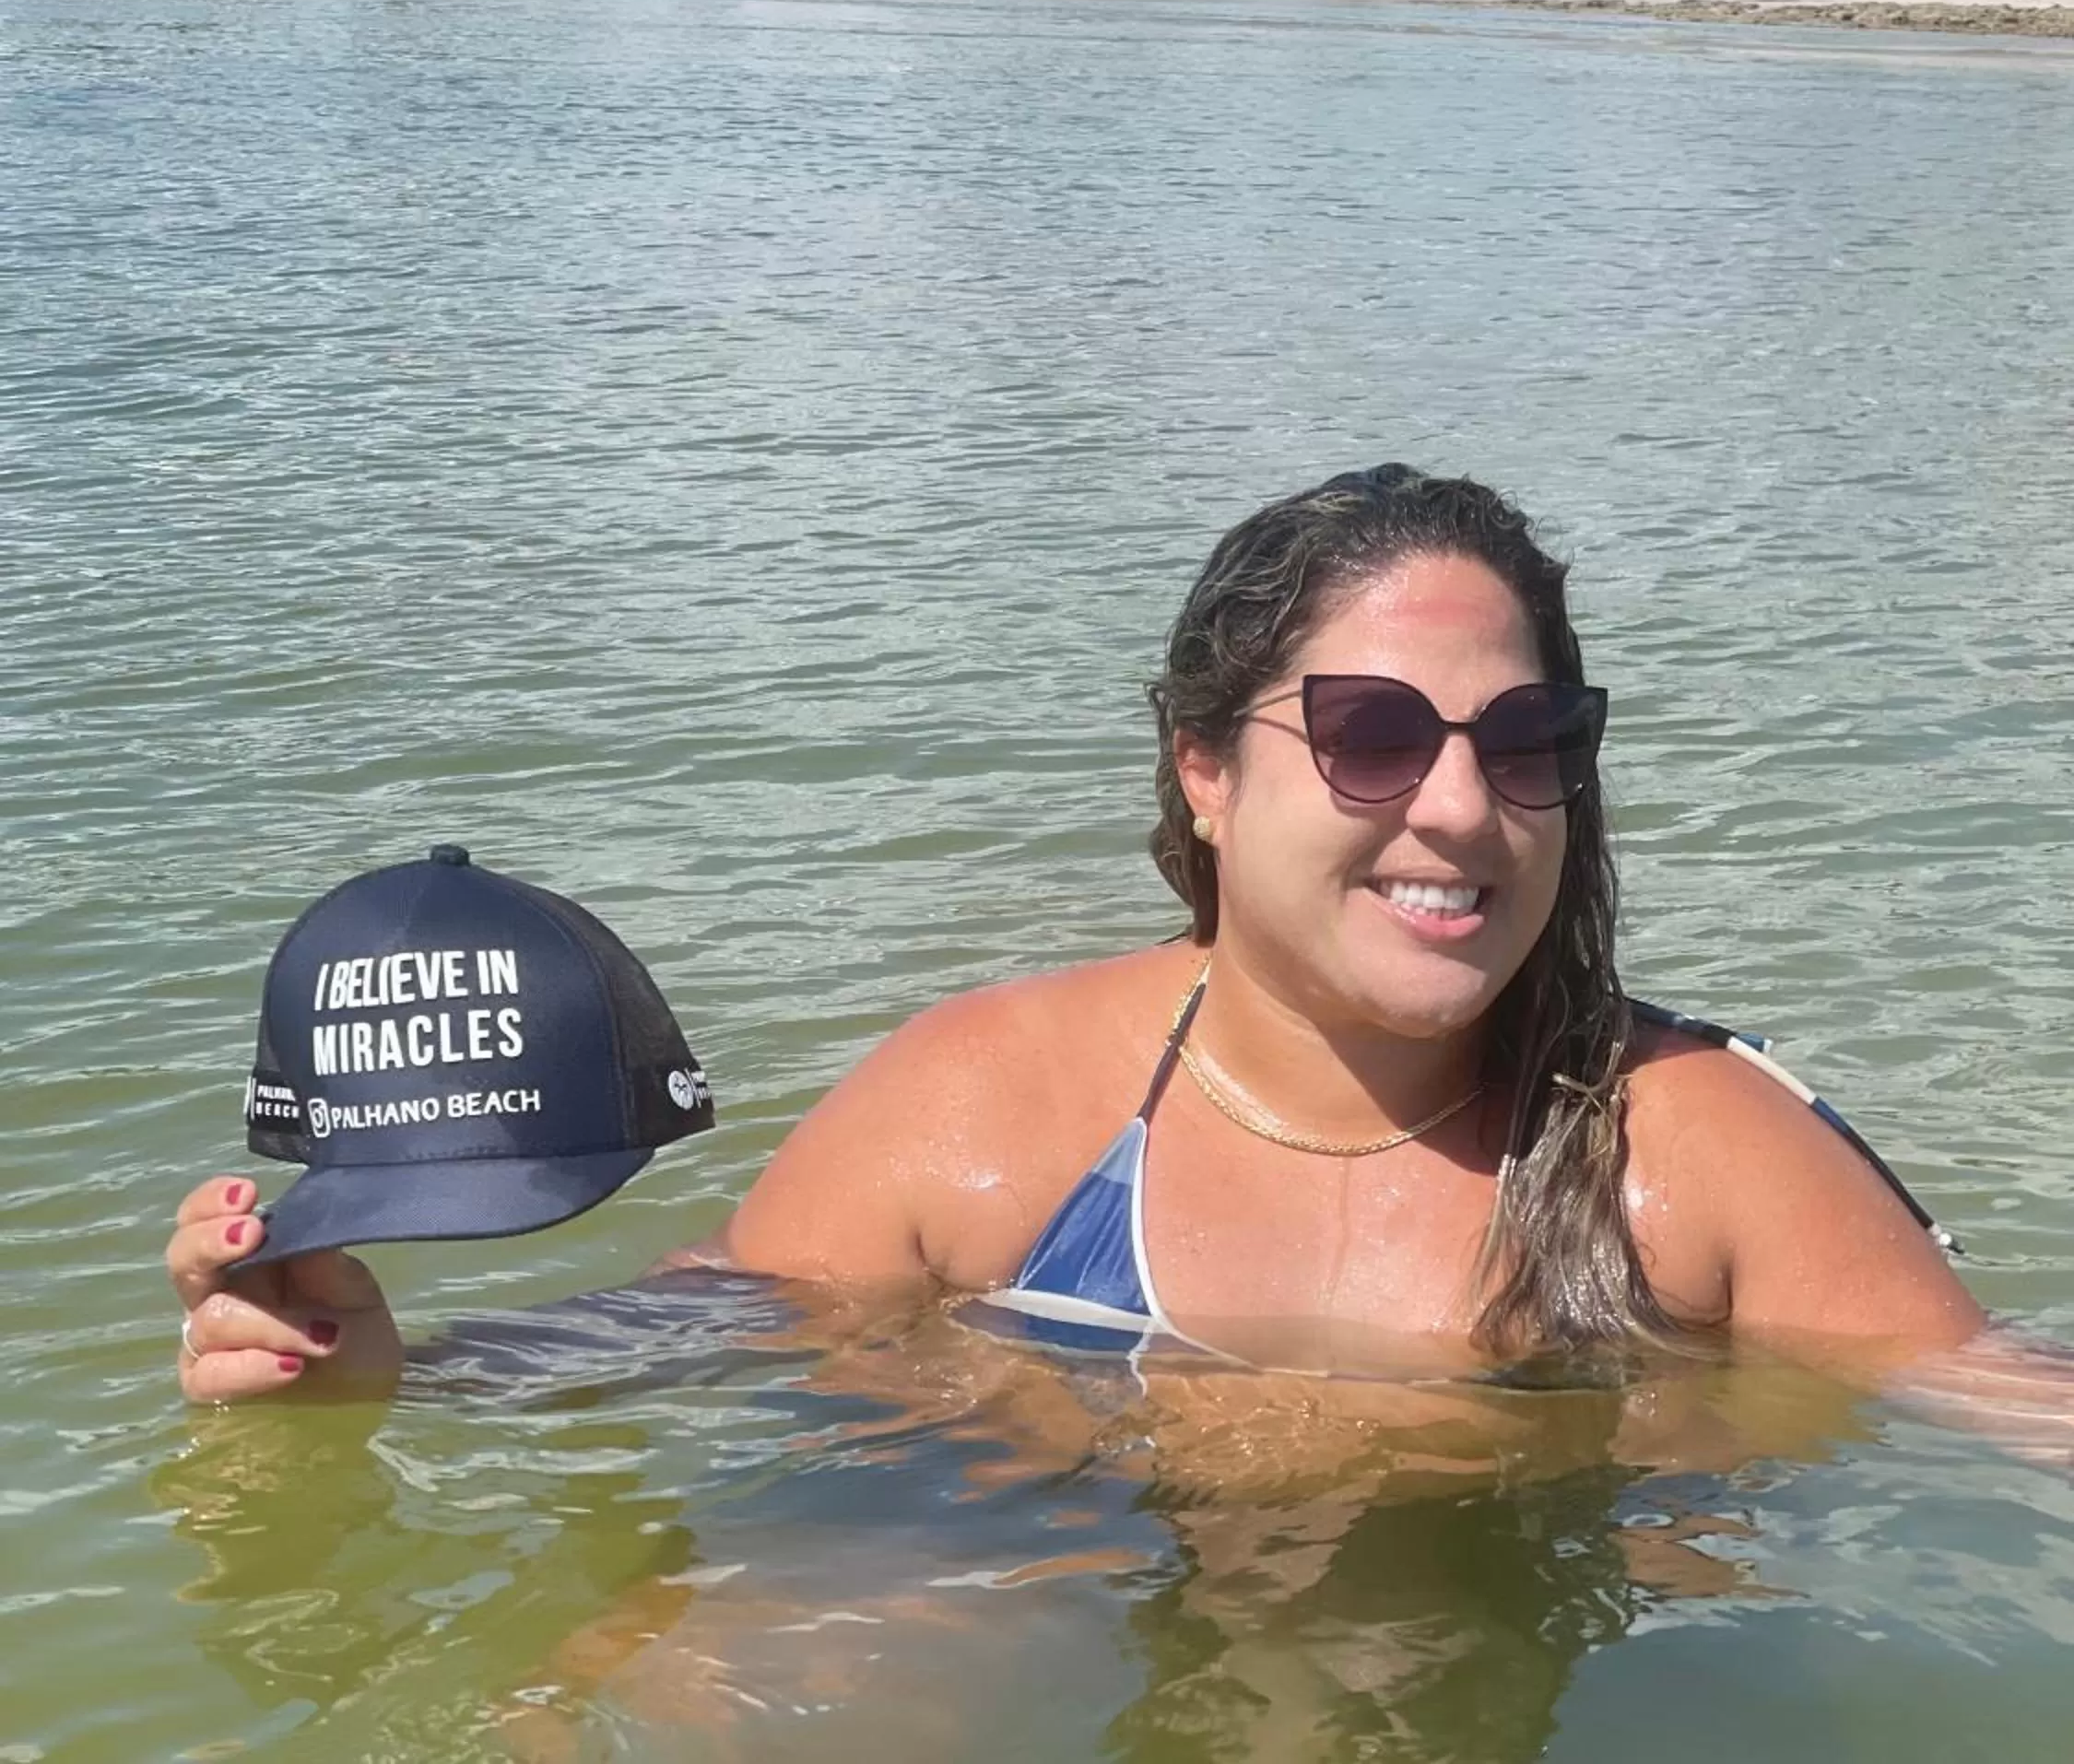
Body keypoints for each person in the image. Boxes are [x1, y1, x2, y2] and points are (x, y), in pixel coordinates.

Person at [167, 464, 1985, 1405]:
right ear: (1204, 770)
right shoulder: (992, 1107)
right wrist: (381, 1367)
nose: (1457, 807)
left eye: (1525, 747)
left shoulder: (1692, 1160)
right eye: (1369, 732)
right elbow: (700, 1336)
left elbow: (1999, 1421)